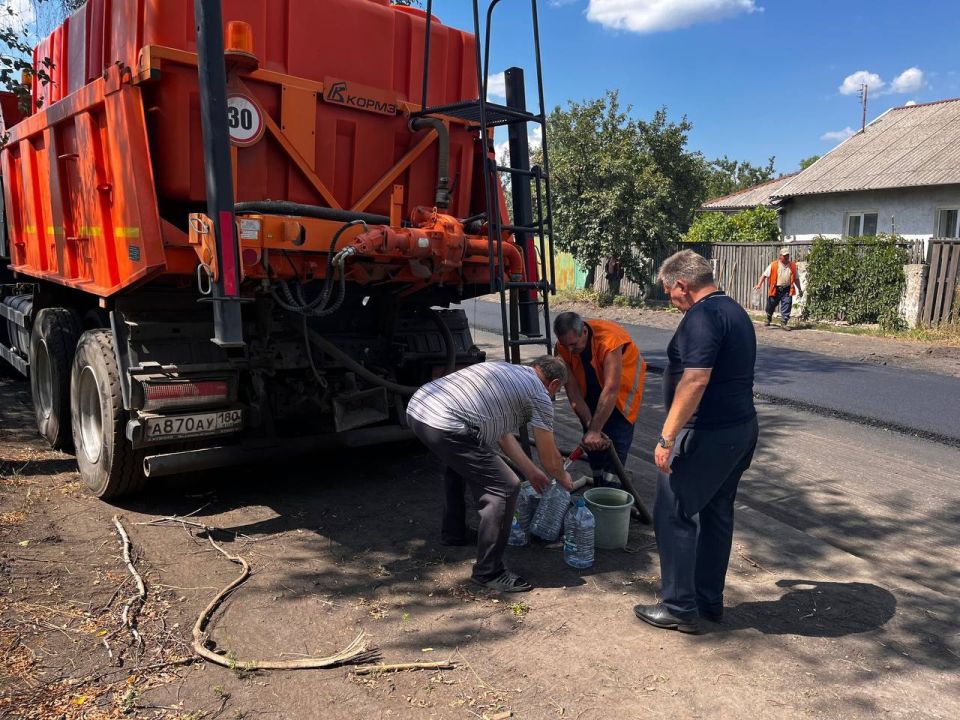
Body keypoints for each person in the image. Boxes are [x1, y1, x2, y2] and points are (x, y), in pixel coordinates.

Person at [634, 250, 758, 634]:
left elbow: (696, 379)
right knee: (718, 513)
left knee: (674, 513)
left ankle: (679, 607)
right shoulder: (734, 311)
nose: (670, 300)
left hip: (708, 434)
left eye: (668, 292)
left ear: (682, 286)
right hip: (739, 431)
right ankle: (708, 601)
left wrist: (667, 437)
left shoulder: (701, 317)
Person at [406, 356, 574, 593]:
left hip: (419, 408)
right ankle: (489, 572)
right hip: (444, 421)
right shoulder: (539, 394)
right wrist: (564, 479)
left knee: (459, 464)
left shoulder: (507, 371)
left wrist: (532, 472)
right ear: (555, 384)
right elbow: (550, 459)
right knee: (505, 487)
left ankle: (454, 533)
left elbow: (502, 435)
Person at [553, 312, 646, 487]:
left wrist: (596, 430)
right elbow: (573, 393)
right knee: (592, 444)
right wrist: (591, 428)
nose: (570, 350)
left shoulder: (609, 340)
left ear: (584, 333)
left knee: (615, 442)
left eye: (573, 344)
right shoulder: (563, 346)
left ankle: (612, 491)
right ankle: (598, 484)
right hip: (591, 387)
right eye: (566, 345)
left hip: (620, 394)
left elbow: (611, 389)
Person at [754, 247, 803, 330]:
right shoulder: (773, 265)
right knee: (771, 304)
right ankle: (768, 317)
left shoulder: (793, 266)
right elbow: (764, 275)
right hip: (776, 289)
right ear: (780, 256)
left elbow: (796, 279)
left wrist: (799, 289)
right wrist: (759, 285)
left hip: (787, 289)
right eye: (784, 256)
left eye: (787, 255)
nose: (786, 257)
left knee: (787, 304)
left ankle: (784, 323)